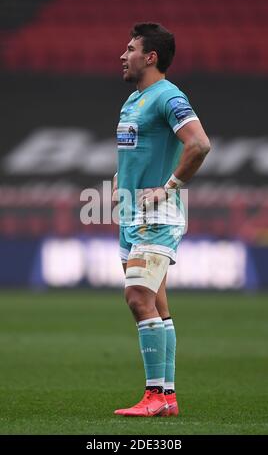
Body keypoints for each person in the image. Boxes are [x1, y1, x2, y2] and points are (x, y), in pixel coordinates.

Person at [112, 22, 210, 417]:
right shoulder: (134, 100)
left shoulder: (168, 96)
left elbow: (199, 144)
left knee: (137, 298)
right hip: (130, 214)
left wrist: (167, 186)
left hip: (157, 216)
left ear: (150, 57)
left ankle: (153, 394)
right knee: (157, 304)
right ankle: (167, 398)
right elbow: (136, 153)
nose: (123, 54)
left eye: (131, 48)